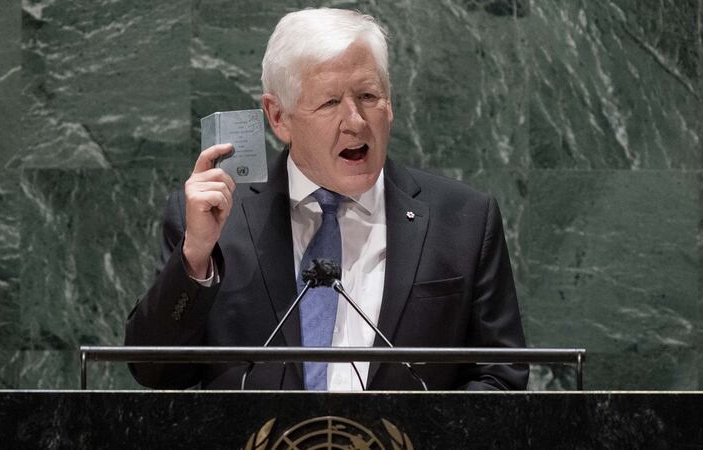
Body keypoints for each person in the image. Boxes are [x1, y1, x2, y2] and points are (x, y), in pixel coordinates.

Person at [125, 8, 528, 391]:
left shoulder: (463, 220)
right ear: (278, 117)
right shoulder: (217, 221)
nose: (355, 121)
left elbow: (500, 377)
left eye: (368, 96)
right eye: (330, 102)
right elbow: (155, 371)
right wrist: (195, 256)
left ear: (390, 104)